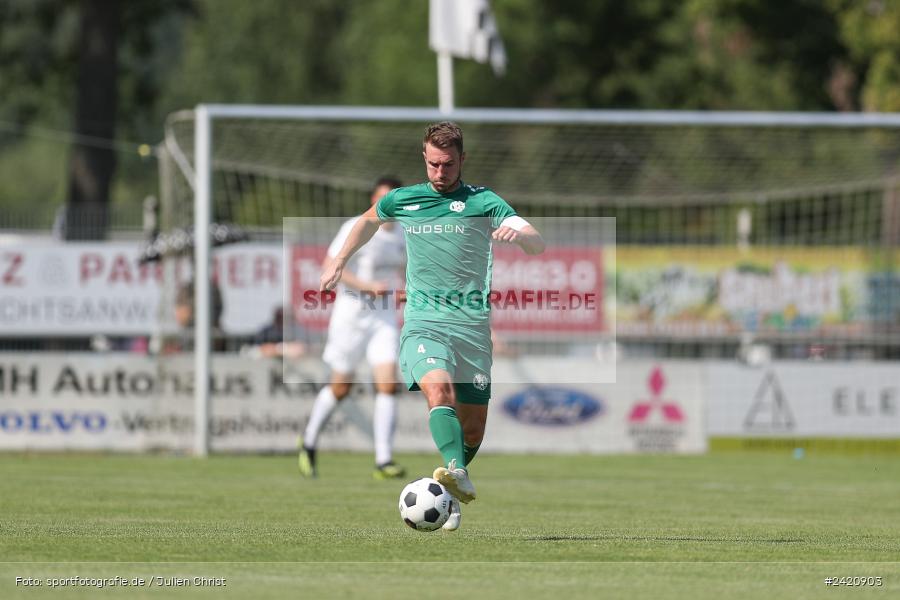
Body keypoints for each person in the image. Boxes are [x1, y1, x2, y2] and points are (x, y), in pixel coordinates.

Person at [319, 122, 545, 531]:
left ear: (463, 159)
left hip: (472, 327)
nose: (439, 172)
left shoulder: (483, 200)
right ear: (424, 158)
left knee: (473, 425)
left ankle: (450, 485)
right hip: (424, 322)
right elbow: (368, 220)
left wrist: (522, 236)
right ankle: (455, 469)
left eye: (448, 164)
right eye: (432, 164)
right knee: (438, 390)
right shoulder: (406, 199)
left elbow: (536, 240)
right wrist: (340, 259)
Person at [299, 176, 409, 480]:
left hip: (383, 317)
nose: (387, 207)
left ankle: (383, 460)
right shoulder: (355, 227)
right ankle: (308, 442)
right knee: (340, 387)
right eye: (381, 200)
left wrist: (411, 291)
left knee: (388, 383)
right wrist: (367, 287)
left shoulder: (403, 234)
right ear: (373, 201)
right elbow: (330, 267)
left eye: (393, 200)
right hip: (351, 316)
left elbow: (406, 271)